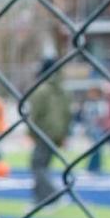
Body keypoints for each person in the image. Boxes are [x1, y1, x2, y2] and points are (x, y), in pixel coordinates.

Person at [28, 58, 72, 205]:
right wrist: (64, 134)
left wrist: (30, 133)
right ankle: (39, 198)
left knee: (37, 165)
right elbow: (67, 114)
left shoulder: (41, 89)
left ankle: (54, 195)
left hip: (44, 132)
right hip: (57, 133)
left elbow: (34, 114)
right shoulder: (63, 89)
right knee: (43, 165)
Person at [80, 85, 108, 173]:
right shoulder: (88, 104)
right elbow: (84, 117)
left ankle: (95, 166)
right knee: (95, 148)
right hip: (90, 129)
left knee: (97, 148)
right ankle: (92, 166)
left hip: (98, 128)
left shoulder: (101, 104)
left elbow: (103, 116)